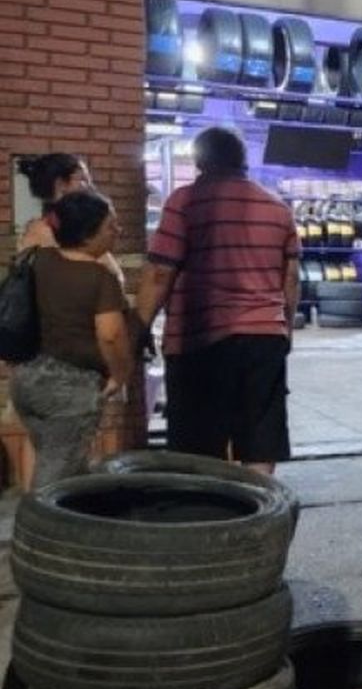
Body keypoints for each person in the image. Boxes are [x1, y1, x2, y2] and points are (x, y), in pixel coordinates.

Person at [135, 127, 301, 474]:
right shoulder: (278, 208)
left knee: (197, 444)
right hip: (263, 339)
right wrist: (284, 328)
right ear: (243, 160)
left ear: (200, 161)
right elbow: (290, 278)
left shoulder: (185, 201)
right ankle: (258, 516)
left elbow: (160, 273)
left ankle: (205, 517)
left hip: (200, 341)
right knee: (260, 439)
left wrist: (140, 326)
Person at [10, 192, 132, 488]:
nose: (118, 231)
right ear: (88, 235)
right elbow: (111, 335)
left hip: (27, 378)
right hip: (69, 388)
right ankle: (38, 531)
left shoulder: (40, 259)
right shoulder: (99, 278)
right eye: (110, 226)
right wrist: (119, 374)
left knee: (51, 459)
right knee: (57, 478)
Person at [16, 153, 125, 285]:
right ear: (61, 184)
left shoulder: (70, 228)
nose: (91, 187)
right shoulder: (45, 232)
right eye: (82, 180)